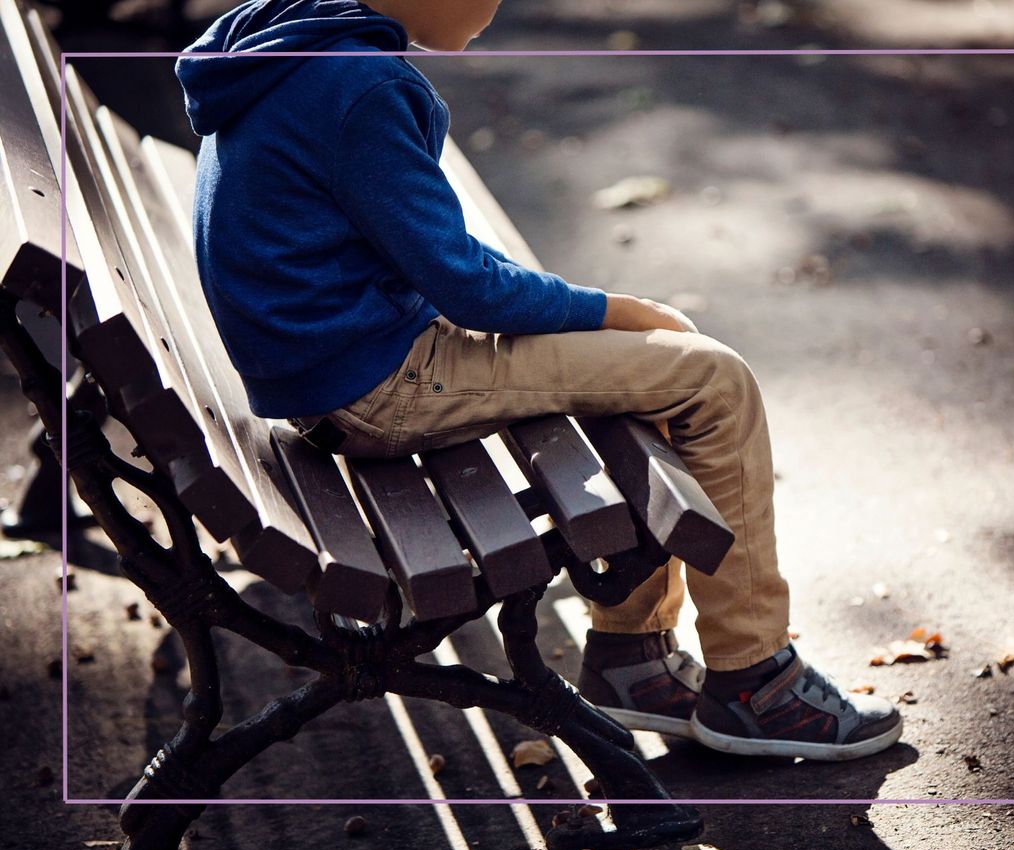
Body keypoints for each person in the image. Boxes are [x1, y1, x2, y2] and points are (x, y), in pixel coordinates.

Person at [175, 0, 902, 761]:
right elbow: (470, 287)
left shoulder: (286, 40)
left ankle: (635, 663)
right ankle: (756, 681)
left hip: (332, 373)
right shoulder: (360, 85)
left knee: (646, 372)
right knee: (712, 379)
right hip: (384, 385)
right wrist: (614, 308)